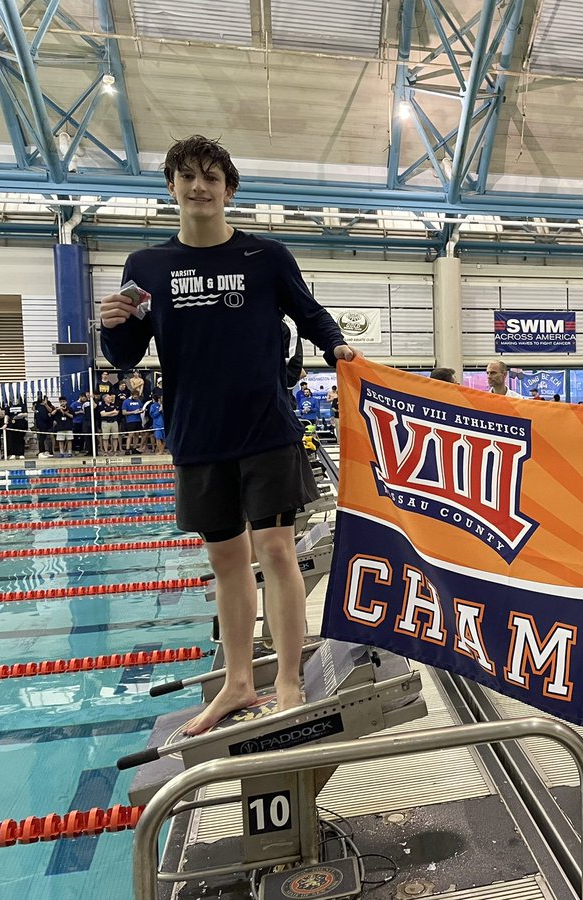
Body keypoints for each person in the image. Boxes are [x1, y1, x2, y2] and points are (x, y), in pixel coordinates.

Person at [99, 134, 359, 737]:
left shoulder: (265, 258)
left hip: (266, 427)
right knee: (226, 560)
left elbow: (308, 310)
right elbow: (126, 354)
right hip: (197, 434)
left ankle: (289, 678)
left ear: (229, 190)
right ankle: (239, 683)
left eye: (211, 177)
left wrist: (337, 347)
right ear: (171, 188)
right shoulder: (147, 268)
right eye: (187, 176)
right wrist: (111, 329)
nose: (199, 187)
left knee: (274, 550)